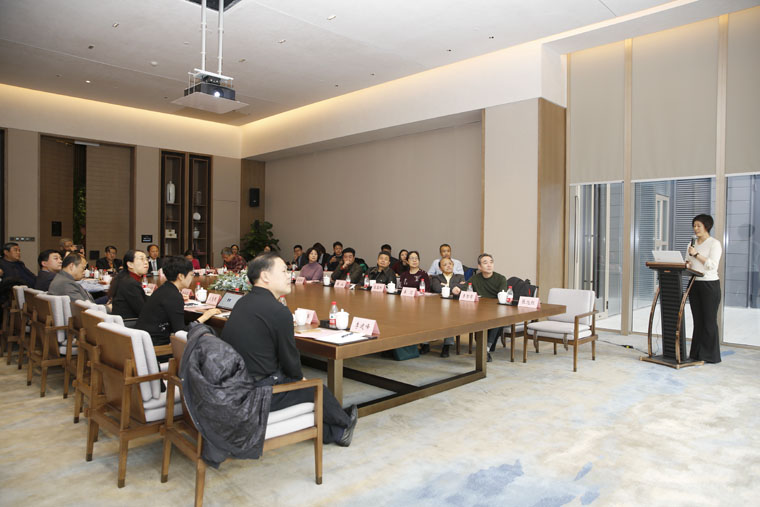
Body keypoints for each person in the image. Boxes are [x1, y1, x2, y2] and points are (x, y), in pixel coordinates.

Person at [221, 252, 358, 446]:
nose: (290, 275)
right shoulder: (278, 311)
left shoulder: (242, 302)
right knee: (316, 388)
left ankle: (333, 430)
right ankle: (343, 426)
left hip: (234, 383)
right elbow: (290, 359)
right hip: (258, 392)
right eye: (284, 271)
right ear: (265, 276)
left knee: (304, 384)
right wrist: (298, 378)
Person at [136, 256, 220, 347]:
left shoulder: (163, 289)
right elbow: (181, 332)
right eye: (191, 275)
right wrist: (205, 316)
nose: (192, 278)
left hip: (145, 342)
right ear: (181, 276)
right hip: (157, 346)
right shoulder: (173, 296)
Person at [686, 214, 723, 364]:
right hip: (694, 284)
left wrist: (696, 254)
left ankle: (710, 356)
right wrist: (687, 263)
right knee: (698, 321)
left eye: (698, 226)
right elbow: (688, 261)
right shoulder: (692, 243)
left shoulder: (714, 244)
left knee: (709, 321)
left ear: (707, 226)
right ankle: (696, 354)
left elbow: (712, 265)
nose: (695, 229)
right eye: (694, 226)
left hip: (709, 284)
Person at [469, 253, 508, 361]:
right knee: (477, 323)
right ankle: (485, 348)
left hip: (495, 310)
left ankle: (485, 349)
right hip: (479, 311)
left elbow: (502, 295)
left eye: (491, 262)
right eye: (485, 263)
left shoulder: (500, 278)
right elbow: (465, 288)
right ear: (479, 266)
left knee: (496, 319)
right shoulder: (475, 279)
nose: (489, 265)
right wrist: (457, 288)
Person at [430, 258, 467, 357]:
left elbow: (464, 287)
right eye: (445, 264)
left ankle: (447, 345)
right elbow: (437, 288)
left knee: (450, 317)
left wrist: (445, 285)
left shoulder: (460, 276)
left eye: (450, 264)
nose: (448, 266)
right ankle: (425, 344)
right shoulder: (436, 277)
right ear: (440, 268)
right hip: (438, 306)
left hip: (455, 306)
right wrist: (455, 286)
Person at [109, 250, 150, 321]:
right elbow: (143, 312)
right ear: (130, 264)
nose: (146, 262)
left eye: (146, 259)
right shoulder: (130, 283)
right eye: (141, 259)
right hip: (129, 323)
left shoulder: (124, 278)